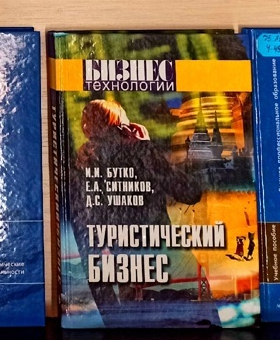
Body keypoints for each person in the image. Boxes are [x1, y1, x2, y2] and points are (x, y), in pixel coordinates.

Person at [68, 99, 203, 309]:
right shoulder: (141, 153)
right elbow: (190, 192)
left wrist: (109, 310)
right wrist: (146, 147)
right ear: (122, 125)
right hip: (169, 273)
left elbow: (87, 247)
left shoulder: (81, 168)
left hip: (130, 282)